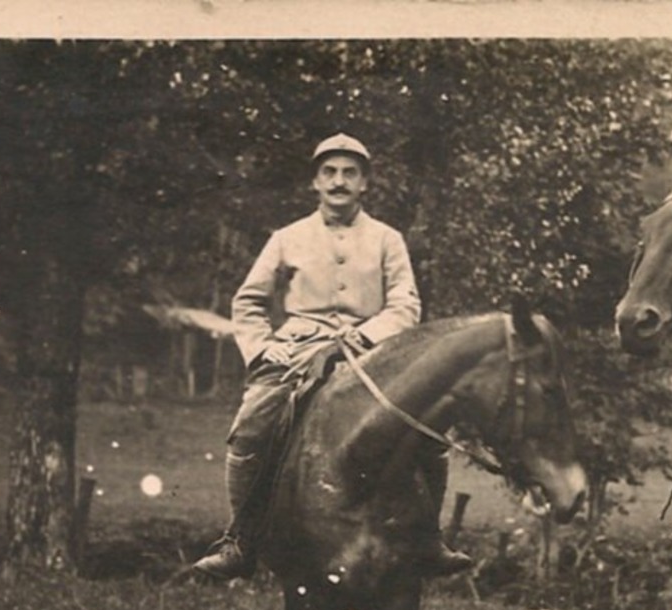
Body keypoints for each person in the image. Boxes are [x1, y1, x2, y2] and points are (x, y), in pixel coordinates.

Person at [192, 133, 473, 579]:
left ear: (364, 183)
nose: (339, 181)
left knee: (430, 432)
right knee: (250, 425)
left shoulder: (387, 239)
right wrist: (266, 347)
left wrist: (363, 338)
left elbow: (405, 304)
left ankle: (427, 540)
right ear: (315, 182)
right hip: (300, 352)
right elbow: (248, 302)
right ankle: (240, 542)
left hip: (373, 354)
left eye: (349, 173)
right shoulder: (287, 238)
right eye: (330, 172)